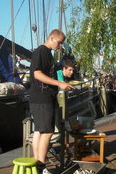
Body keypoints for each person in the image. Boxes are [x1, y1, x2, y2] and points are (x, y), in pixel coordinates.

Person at [29, 29, 75, 174]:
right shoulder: (41, 51)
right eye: (59, 42)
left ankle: (37, 164)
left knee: (39, 131)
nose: (60, 46)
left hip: (39, 97)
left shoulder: (47, 53)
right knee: (47, 132)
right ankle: (41, 166)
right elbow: (37, 74)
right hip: (42, 97)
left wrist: (62, 84)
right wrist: (58, 83)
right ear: (51, 38)